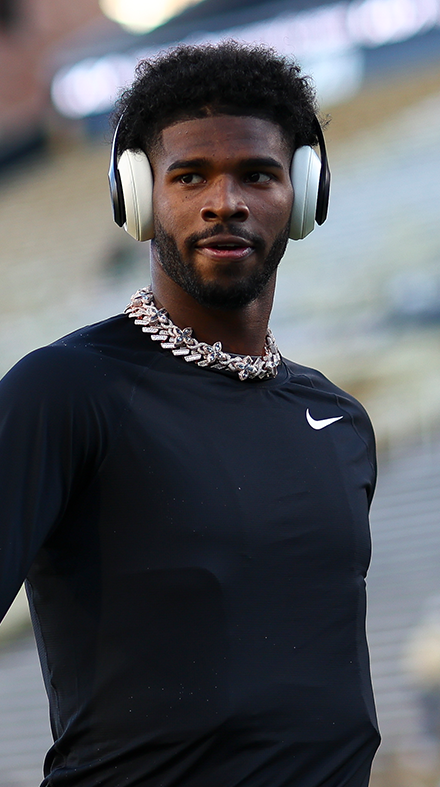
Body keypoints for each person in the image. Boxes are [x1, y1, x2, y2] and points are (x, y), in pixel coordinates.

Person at [0, 42, 379, 784]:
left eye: (257, 174)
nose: (225, 201)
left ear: (303, 196)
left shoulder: (341, 419)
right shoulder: (65, 391)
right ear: (137, 198)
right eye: (190, 176)